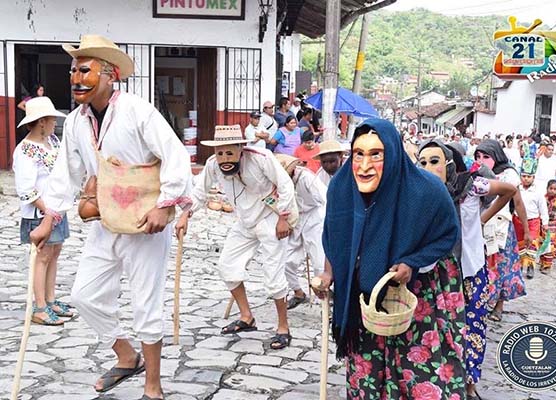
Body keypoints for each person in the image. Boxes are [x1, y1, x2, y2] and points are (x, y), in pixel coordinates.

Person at [29, 35, 192, 400]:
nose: (76, 78)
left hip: (145, 224)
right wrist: (48, 219)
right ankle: (125, 354)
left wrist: (167, 205)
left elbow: (175, 155)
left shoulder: (138, 111)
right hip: (106, 221)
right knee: (84, 296)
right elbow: (65, 175)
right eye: (73, 71)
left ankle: (153, 386)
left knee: (146, 304)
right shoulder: (74, 122)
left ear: (110, 74)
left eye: (84, 70)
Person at [313, 118, 467, 400]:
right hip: (364, 299)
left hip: (415, 295)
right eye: (358, 154)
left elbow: (446, 235)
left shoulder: (426, 190)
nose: (364, 165)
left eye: (376, 155)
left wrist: (413, 261)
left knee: (418, 371)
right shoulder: (341, 188)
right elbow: (337, 238)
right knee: (366, 375)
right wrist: (328, 274)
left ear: (393, 154)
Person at [177, 125, 298, 350]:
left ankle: (283, 327)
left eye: (229, 152)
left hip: (270, 219)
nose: (224, 158)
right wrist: (186, 214)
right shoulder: (213, 166)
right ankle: (246, 317)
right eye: (220, 153)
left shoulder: (262, 158)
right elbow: (200, 193)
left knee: (273, 276)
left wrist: (283, 217)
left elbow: (285, 185)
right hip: (244, 222)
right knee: (227, 266)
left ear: (241, 149)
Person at [418, 140, 516, 399]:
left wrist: (483, 218)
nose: (428, 167)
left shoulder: (471, 188)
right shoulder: (421, 193)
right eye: (423, 162)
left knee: (472, 329)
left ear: (449, 164)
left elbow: (508, 190)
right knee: (439, 329)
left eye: (435, 161)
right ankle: (442, 384)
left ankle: (470, 385)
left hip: (470, 271)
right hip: (436, 274)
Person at [13, 96, 72, 326]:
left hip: (56, 210)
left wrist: (57, 208)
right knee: (42, 256)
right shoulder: (26, 150)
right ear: (41, 122)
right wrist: (48, 211)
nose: (54, 123)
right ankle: (39, 306)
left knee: (55, 252)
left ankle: (50, 299)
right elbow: (26, 189)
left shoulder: (53, 141)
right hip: (40, 214)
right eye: (51, 120)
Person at [475, 140, 530, 322]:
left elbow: (519, 203)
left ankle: (499, 305)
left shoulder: (508, 175)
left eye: (486, 157)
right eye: (478, 156)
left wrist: (527, 229)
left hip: (501, 227)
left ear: (496, 156)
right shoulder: (477, 173)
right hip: (480, 227)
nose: (481, 160)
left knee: (502, 266)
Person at [274, 154, 326, 310]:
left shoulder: (306, 178)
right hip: (295, 219)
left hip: (315, 215)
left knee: (319, 258)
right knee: (287, 259)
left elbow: (325, 198)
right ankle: (298, 292)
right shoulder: (278, 184)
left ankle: (324, 295)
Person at [514, 159, 549, 279]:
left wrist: (545, 222)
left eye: (529, 176)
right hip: (518, 220)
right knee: (520, 244)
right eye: (523, 176)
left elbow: (542, 207)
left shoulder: (538, 191)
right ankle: (520, 266)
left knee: (532, 244)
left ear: (533, 177)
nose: (526, 179)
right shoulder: (516, 189)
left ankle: (530, 266)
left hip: (533, 221)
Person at [540, 180, 556, 273]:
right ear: (547, 189)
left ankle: (547, 265)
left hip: (553, 226)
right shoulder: (543, 199)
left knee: (550, 245)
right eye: (551, 188)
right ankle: (543, 262)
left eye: (555, 189)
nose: (552, 191)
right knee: (542, 244)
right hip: (543, 225)